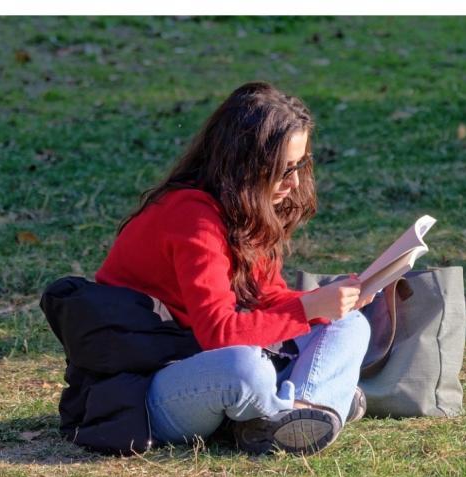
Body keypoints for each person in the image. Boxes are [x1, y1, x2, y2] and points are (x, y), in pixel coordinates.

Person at [94, 81, 372, 456]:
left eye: (300, 165)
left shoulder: (245, 209)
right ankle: (312, 402)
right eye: (282, 169)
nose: (292, 183)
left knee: (349, 323)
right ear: (244, 163)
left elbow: (265, 298)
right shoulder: (193, 217)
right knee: (245, 368)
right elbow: (220, 335)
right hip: (149, 387)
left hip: (202, 365)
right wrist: (309, 309)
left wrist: (329, 303)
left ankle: (303, 413)